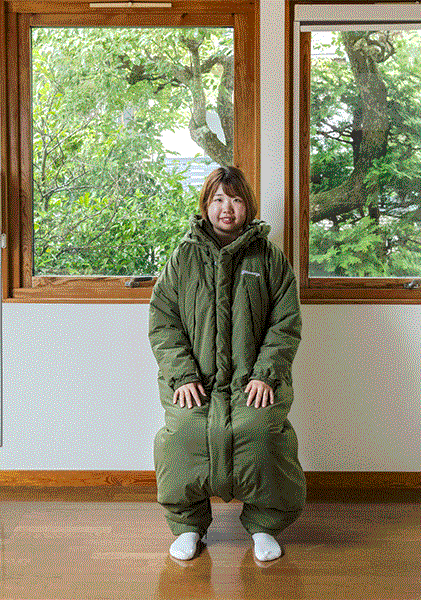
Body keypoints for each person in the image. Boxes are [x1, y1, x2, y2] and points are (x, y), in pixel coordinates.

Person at [149, 166, 305, 562]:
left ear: (247, 206)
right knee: (184, 434)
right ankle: (188, 526)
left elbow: (285, 323)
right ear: (206, 205)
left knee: (261, 433)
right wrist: (183, 376)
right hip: (196, 381)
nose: (227, 208)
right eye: (218, 199)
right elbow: (163, 321)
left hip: (253, 379)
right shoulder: (183, 256)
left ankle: (264, 525)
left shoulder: (269, 258)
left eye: (235, 199)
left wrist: (266, 374)